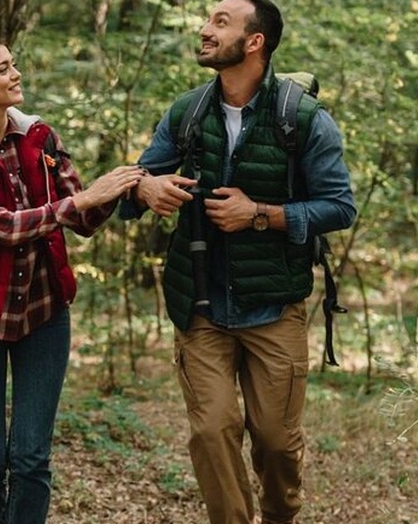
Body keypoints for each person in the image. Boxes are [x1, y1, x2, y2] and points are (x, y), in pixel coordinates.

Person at [119, 1, 357, 523]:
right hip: (199, 303)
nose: (205, 30)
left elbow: (340, 207)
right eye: (207, 20)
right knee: (212, 430)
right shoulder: (188, 112)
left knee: (275, 441)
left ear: (255, 42)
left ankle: (278, 517)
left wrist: (260, 215)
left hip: (274, 305)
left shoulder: (303, 118)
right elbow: (131, 188)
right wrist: (145, 185)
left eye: (220, 22)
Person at [0, 32, 142, 524]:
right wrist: (83, 199)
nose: (16, 74)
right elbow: (0, 226)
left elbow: (83, 222)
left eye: (13, 64)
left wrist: (125, 184)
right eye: (2, 69)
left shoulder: (41, 138)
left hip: (44, 318)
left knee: (30, 459)